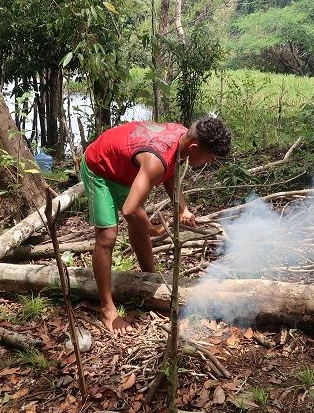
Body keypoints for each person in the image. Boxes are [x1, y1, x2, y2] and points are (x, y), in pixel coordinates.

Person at [81, 118, 232, 335]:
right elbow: (130, 210)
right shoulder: (155, 162)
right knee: (107, 236)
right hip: (100, 167)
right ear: (194, 148)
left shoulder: (182, 138)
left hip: (124, 168)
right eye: (209, 157)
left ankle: (149, 279)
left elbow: (170, 172)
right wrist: (153, 230)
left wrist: (182, 208)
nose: (209, 162)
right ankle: (107, 309)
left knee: (137, 226)